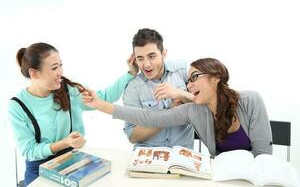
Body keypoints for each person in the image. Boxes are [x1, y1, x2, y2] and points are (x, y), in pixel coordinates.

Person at [82, 58, 273, 157]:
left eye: (195, 77)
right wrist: (99, 104)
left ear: (215, 78)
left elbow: (263, 155)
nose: (189, 84)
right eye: (188, 80)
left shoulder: (250, 101)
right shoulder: (194, 111)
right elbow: (148, 117)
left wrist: (181, 94)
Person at [8, 42, 138, 186]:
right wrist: (65, 143)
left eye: (60, 65)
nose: (60, 72)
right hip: (38, 167)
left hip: (71, 159)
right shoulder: (17, 106)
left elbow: (105, 97)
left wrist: (131, 73)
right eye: (54, 68)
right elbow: (29, 151)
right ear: (34, 73)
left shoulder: (69, 91)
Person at [122, 28, 194, 149]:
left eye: (151, 56)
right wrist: (169, 115)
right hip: (147, 156)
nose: (146, 64)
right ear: (134, 60)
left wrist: (180, 94)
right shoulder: (133, 87)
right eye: (140, 58)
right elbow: (132, 136)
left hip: (181, 155)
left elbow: (207, 106)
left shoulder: (184, 70)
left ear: (164, 54)